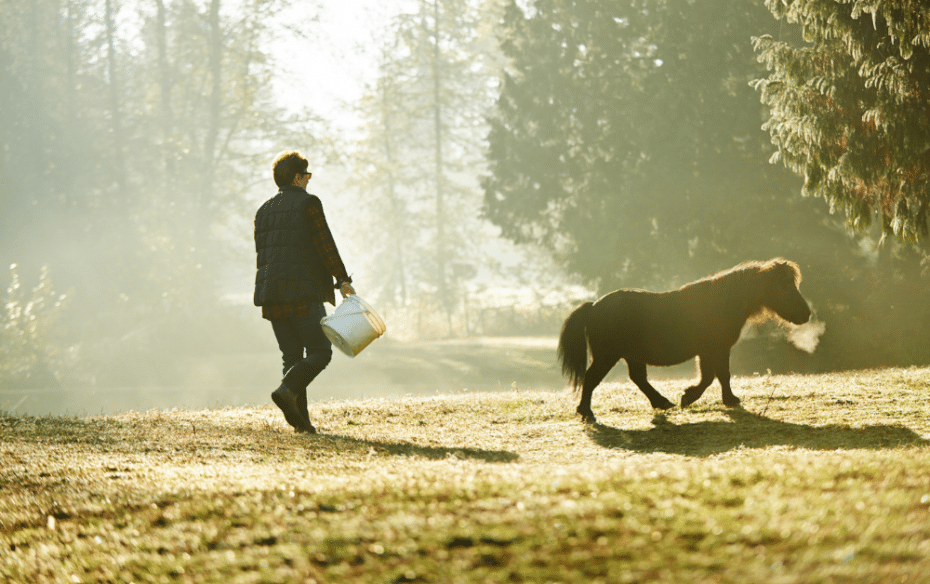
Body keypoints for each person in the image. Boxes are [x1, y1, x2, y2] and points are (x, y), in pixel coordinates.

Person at [253, 151, 355, 433]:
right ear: (297, 178)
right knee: (321, 352)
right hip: (303, 293)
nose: (309, 181)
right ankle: (286, 391)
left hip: (271, 295)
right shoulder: (308, 203)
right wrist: (342, 279)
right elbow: (325, 243)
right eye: (306, 175)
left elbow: (265, 254)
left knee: (292, 358)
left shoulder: (263, 210)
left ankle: (302, 424)